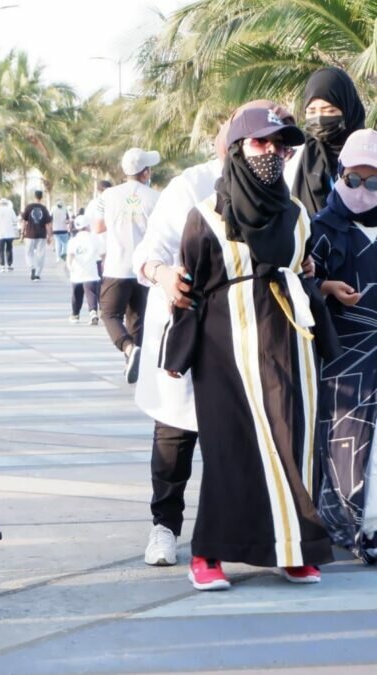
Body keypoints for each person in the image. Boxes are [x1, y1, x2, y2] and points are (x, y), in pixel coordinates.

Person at [161, 107, 332, 590]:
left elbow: (303, 271)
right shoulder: (206, 217)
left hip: (289, 346)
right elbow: (190, 292)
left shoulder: (298, 215)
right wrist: (178, 356)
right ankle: (209, 553)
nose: (273, 154)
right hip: (224, 351)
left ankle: (294, 549)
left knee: (291, 444)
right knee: (230, 450)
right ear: (237, 148)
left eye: (282, 146)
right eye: (262, 144)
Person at [311, 129, 377, 561]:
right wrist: (325, 288)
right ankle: (353, 528)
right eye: (353, 179)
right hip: (346, 358)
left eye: (373, 182)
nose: (362, 190)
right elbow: (294, 282)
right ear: (339, 174)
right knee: (346, 442)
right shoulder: (322, 228)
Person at [94, 148, 160, 384]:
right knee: (137, 318)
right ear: (145, 172)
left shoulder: (107, 195)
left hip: (116, 266)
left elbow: (98, 227)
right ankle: (133, 361)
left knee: (110, 314)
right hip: (145, 268)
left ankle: (129, 349)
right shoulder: (154, 197)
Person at [288, 67, 366, 216]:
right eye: (312, 112)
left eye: (329, 111)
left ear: (348, 110)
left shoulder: (370, 154)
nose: (319, 118)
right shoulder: (296, 158)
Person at [66, 214, 103, 324]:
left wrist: (69, 266)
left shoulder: (73, 240)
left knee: (76, 296)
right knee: (91, 293)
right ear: (87, 226)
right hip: (91, 273)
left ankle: (75, 315)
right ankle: (93, 313)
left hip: (76, 273)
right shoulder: (94, 238)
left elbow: (70, 256)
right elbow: (103, 253)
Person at [21, 190, 52, 281]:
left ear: (34, 197)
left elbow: (24, 222)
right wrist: (49, 236)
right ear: (41, 197)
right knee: (41, 254)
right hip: (41, 234)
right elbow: (48, 224)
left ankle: (32, 267)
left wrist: (22, 233)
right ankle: (37, 274)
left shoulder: (29, 207)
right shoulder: (44, 208)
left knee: (28, 253)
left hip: (30, 234)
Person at [0, 197, 19, 271]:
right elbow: (15, 220)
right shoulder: (10, 210)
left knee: (1, 250)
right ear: (6, 203)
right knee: (9, 249)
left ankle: (2, 266)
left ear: (0, 203)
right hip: (9, 233)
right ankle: (9, 265)